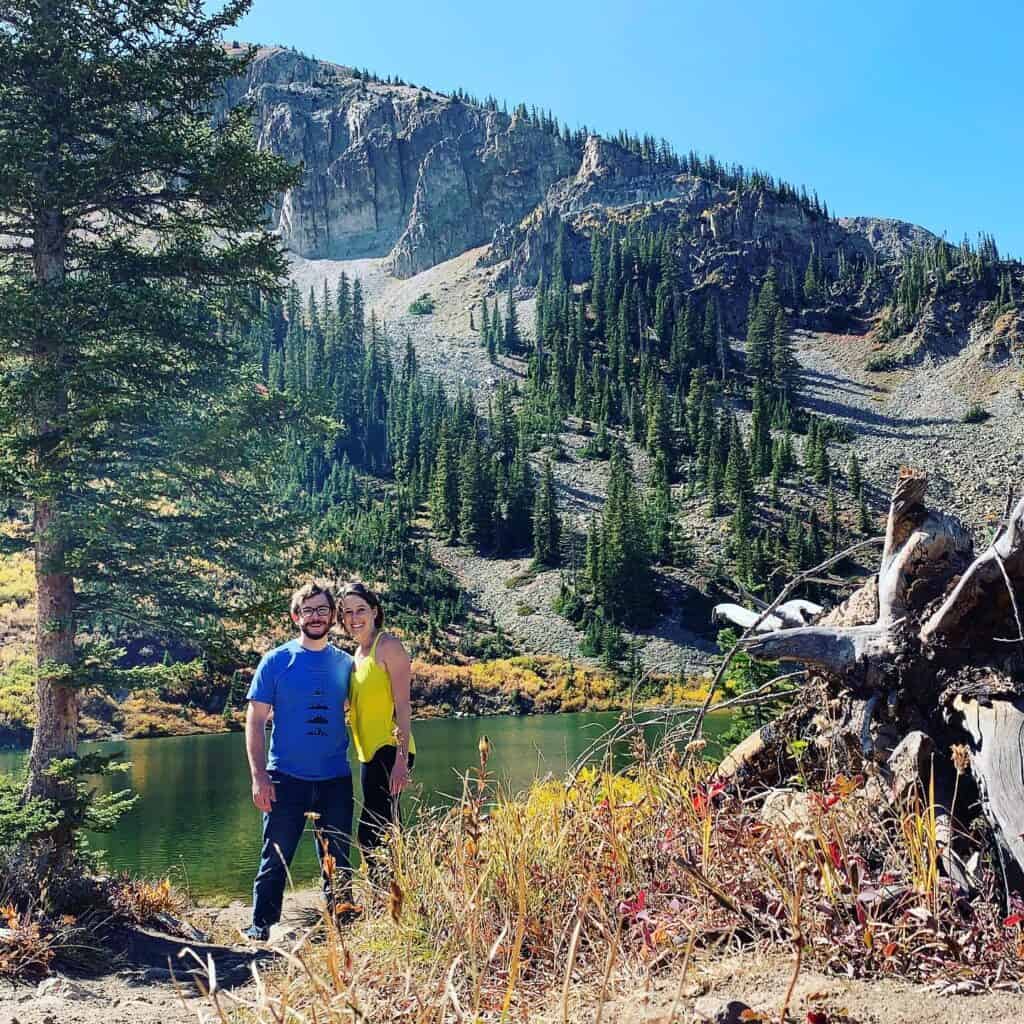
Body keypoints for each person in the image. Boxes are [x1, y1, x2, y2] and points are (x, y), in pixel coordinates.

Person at [243, 580, 354, 941]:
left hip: (335, 778)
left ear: (333, 616)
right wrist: (259, 776)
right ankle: (261, 926)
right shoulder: (276, 661)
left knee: (337, 856)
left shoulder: (346, 664)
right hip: (285, 777)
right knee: (275, 854)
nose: (316, 616)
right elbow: (256, 720)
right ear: (296, 616)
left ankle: (342, 924)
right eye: (308, 610)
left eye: (323, 610)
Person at [340, 582, 416, 867]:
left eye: (361, 609)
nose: (354, 617)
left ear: (374, 611)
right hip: (368, 753)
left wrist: (400, 761)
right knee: (386, 825)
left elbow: (403, 706)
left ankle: (389, 894)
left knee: (372, 829)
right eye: (347, 612)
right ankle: (398, 889)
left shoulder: (389, 647)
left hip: (390, 748)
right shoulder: (357, 656)